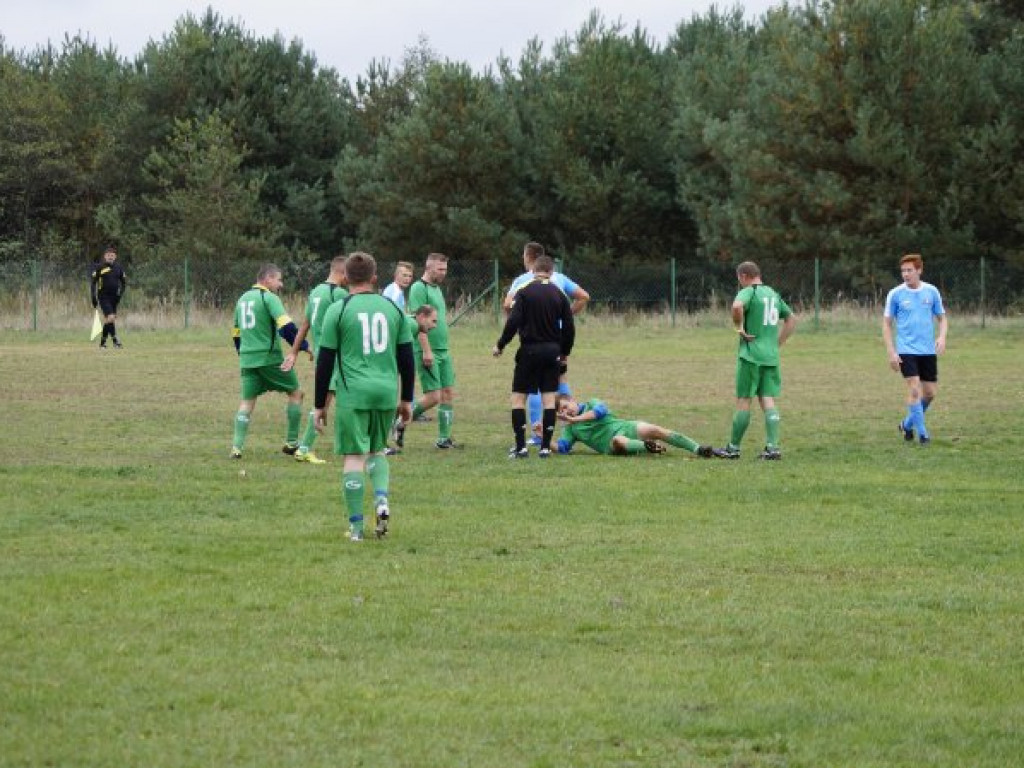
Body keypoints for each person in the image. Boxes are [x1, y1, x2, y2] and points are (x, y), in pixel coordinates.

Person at [313, 252, 416, 542]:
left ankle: (356, 529)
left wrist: (320, 405)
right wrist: (406, 399)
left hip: (352, 394)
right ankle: (381, 500)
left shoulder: (339, 310)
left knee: (354, 458)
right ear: (374, 278)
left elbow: (324, 363)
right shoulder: (393, 309)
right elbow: (407, 359)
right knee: (378, 450)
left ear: (346, 278)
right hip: (385, 393)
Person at [504, 242, 590, 443]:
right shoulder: (558, 277)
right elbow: (584, 297)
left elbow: (507, 304)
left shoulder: (524, 280)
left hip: (535, 339)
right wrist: (565, 315)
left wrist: (518, 322)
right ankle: (575, 420)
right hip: (557, 338)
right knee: (560, 379)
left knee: (535, 384)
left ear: (528, 258)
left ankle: (537, 433)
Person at [492, 255, 575, 458]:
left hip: (529, 350)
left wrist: (501, 344)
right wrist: (564, 353)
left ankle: (521, 447)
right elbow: (570, 328)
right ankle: (545, 448)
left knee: (519, 399)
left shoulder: (524, 291)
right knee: (548, 400)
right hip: (552, 352)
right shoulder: (560, 294)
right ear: (551, 272)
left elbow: (513, 322)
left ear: (534, 271)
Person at [230, 264, 310, 459]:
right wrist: (305, 346)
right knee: (296, 393)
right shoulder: (269, 298)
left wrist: (244, 354)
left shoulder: (242, 299)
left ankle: (236, 447)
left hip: (248, 360)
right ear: (267, 279)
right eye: (278, 280)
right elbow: (287, 327)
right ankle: (291, 443)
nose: (280, 284)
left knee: (247, 402)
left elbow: (236, 333)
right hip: (269, 358)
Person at [719, 261, 796, 460]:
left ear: (743, 276)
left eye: (739, 279)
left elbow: (736, 306)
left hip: (750, 356)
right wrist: (777, 343)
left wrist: (739, 327)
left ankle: (733, 448)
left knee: (744, 399)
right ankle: (773, 448)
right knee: (767, 399)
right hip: (770, 357)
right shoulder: (773, 294)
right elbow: (791, 319)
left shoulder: (749, 292)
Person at [280, 255, 349, 464]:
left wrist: (293, 352)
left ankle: (349, 444)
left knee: (336, 401)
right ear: (343, 273)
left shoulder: (316, 292)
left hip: (322, 354)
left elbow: (304, 326)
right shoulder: (339, 294)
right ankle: (304, 448)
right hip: (336, 356)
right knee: (323, 404)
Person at [883, 253, 948, 445]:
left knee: (929, 393)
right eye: (903, 271)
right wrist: (892, 352)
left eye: (909, 270)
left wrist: (942, 337)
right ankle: (923, 435)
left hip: (927, 350)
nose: (905, 274)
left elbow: (942, 318)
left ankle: (906, 424)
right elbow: (886, 324)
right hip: (906, 350)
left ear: (919, 270)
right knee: (914, 390)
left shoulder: (931, 291)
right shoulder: (895, 294)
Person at [404, 252, 458, 449]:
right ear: (429, 268)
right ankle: (400, 419)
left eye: (445, 269)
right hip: (429, 350)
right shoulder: (419, 288)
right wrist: (426, 351)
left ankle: (444, 439)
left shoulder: (436, 289)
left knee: (448, 393)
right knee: (433, 397)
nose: (443, 273)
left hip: (443, 350)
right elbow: (418, 322)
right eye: (440, 269)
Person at [556, 395, 722, 458]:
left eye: (566, 405)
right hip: (612, 443)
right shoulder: (571, 429)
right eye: (562, 411)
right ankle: (648, 447)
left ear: (572, 400)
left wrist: (575, 419)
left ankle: (698, 449)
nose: (566, 411)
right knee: (618, 441)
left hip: (627, 426)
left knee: (655, 430)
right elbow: (562, 448)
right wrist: (543, 439)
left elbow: (600, 411)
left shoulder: (592, 403)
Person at [385, 304, 439, 455]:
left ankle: (381, 441)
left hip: (385, 365)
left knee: (386, 403)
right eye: (433, 321)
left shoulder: (410, 322)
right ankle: (379, 445)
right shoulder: (411, 325)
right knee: (385, 403)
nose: (435, 326)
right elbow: (403, 353)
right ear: (421, 317)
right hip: (384, 366)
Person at [90, 246, 127, 348]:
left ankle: (103, 343)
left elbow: (124, 282)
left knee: (109, 320)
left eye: (112, 255)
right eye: (108, 255)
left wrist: (120, 294)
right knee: (110, 317)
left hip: (114, 297)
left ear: (115, 257)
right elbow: (93, 283)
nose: (110, 257)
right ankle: (115, 339)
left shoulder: (119, 268)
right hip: (103, 296)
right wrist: (93, 296)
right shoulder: (99, 267)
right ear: (105, 256)